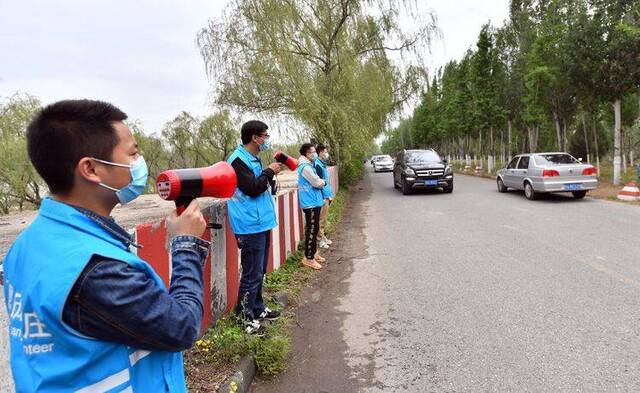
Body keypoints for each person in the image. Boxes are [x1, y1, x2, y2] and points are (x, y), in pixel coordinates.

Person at [2, 100, 209, 392]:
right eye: (133, 153)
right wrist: (185, 244)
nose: (139, 163)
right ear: (91, 169)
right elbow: (182, 326)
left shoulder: (29, 244)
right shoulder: (96, 269)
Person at [227, 120, 282, 335]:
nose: (266, 140)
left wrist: (268, 175)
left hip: (260, 221)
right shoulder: (238, 161)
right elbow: (252, 188)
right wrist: (268, 172)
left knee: (259, 271)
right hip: (249, 225)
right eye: (265, 136)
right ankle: (243, 318)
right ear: (254, 138)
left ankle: (257, 309)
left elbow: (261, 185)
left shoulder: (252, 158)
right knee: (251, 273)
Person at [297, 143, 326, 270]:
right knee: (311, 230)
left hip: (314, 201)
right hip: (310, 203)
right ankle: (308, 258)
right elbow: (316, 182)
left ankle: (313, 253)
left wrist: (320, 181)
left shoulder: (309, 165)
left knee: (314, 229)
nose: (315, 154)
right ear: (307, 154)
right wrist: (322, 182)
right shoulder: (305, 167)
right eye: (313, 152)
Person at [313, 144, 334, 249]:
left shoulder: (322, 164)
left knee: (324, 219)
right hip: (322, 197)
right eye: (325, 152)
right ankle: (319, 240)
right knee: (321, 219)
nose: (326, 154)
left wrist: (329, 195)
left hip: (326, 195)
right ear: (320, 152)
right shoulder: (318, 165)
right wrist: (324, 197)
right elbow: (319, 183)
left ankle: (322, 237)